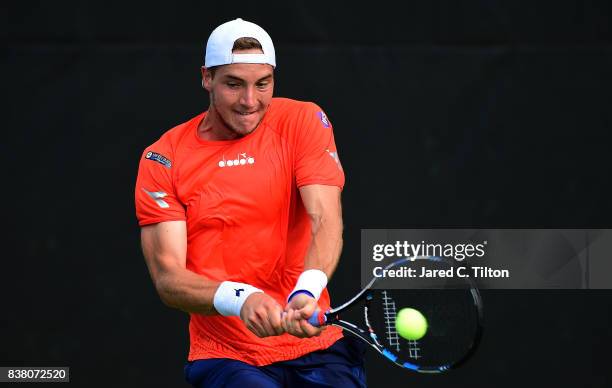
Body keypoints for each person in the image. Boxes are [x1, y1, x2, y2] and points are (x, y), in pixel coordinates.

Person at [134, 18, 366, 387]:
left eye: (263, 84)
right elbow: (168, 279)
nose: (249, 101)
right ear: (206, 78)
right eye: (233, 84)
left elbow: (326, 220)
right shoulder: (164, 158)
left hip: (319, 346)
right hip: (226, 356)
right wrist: (239, 298)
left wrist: (306, 289)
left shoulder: (302, 121)